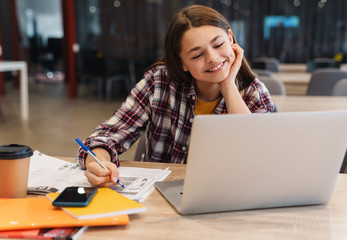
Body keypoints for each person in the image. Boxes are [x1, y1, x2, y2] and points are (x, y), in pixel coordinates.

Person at [76, 5, 276, 187]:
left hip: (227, 193)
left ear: (231, 38)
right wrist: (98, 163)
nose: (213, 58)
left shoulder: (255, 92)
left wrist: (227, 84)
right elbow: (107, 135)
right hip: (159, 195)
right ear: (182, 63)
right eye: (197, 55)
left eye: (218, 45)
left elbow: (260, 156)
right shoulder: (159, 82)